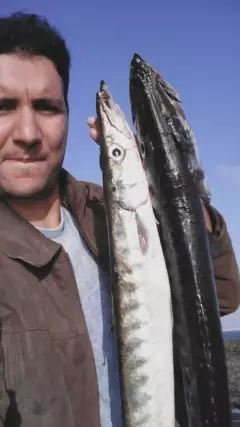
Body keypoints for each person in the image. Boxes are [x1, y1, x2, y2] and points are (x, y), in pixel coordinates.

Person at [0, 11, 238, 427]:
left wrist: (172, 194)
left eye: (46, 107)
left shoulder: (105, 211)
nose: (28, 133)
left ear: (69, 117)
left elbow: (222, 297)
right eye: (3, 107)